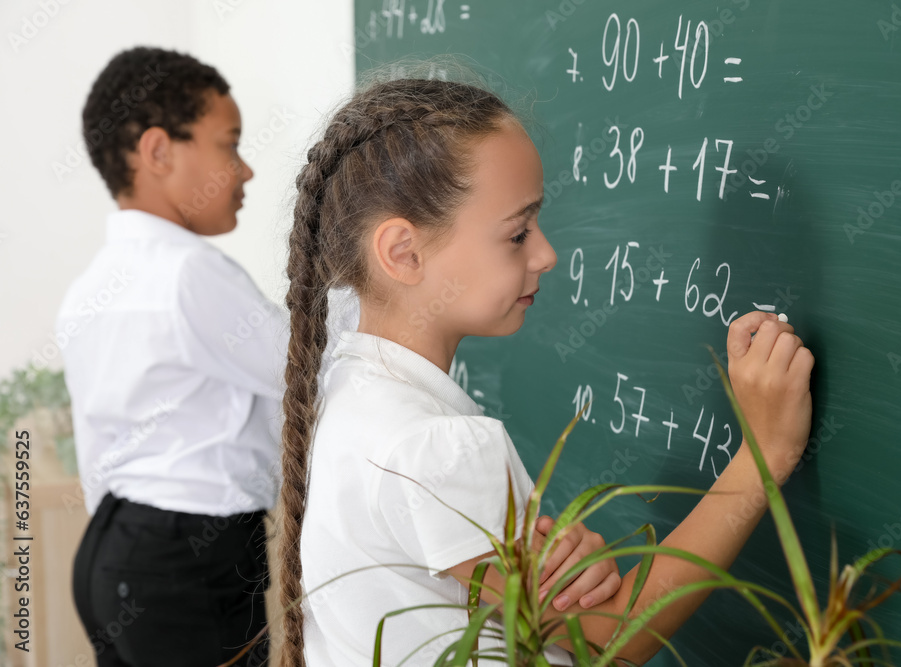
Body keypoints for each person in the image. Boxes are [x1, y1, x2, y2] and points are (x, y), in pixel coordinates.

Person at [276, 77, 813, 666]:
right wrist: (763, 456)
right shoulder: (438, 446)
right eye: (517, 233)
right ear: (404, 253)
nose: (547, 254)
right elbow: (613, 636)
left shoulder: (346, 389)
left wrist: (580, 571)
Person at [57, 46, 310, 666]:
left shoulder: (93, 285)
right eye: (230, 145)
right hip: (190, 564)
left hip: (114, 552)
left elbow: (98, 452)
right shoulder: (188, 274)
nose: (246, 170)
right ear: (158, 151)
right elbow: (308, 373)